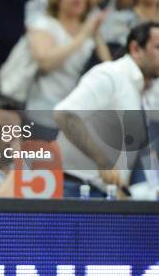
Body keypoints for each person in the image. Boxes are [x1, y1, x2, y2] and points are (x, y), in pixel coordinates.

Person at [55, 21, 159, 198]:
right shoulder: (110, 75)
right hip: (73, 188)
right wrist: (102, 161)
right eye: (158, 47)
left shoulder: (147, 92)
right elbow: (65, 114)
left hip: (105, 194)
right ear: (135, 49)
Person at [27, 0, 111, 128]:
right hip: (45, 113)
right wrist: (83, 35)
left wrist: (96, 34)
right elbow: (46, 62)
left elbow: (108, 69)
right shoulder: (45, 25)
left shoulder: (89, 27)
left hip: (80, 118)